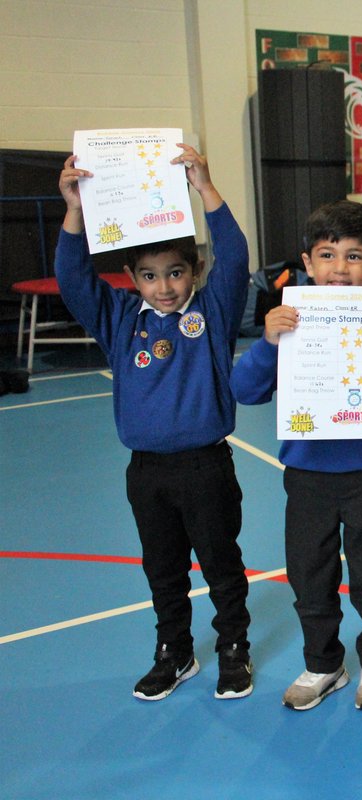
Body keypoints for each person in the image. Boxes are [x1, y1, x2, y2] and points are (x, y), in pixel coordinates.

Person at [55, 145, 253, 701]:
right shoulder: (119, 319)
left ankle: (233, 646)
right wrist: (74, 209)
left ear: (195, 271)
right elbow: (72, 279)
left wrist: (204, 187)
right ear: (131, 278)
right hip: (146, 474)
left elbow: (235, 256)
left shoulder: (211, 312)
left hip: (206, 468)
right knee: (162, 569)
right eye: (149, 276)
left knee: (221, 564)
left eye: (175, 273)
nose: (164, 287)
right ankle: (175, 651)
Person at [231, 200, 362, 712]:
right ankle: (323, 664)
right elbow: (245, 390)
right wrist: (268, 342)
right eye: (327, 255)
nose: (340, 269)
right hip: (307, 476)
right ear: (308, 262)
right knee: (310, 577)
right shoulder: (288, 324)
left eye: (354, 257)